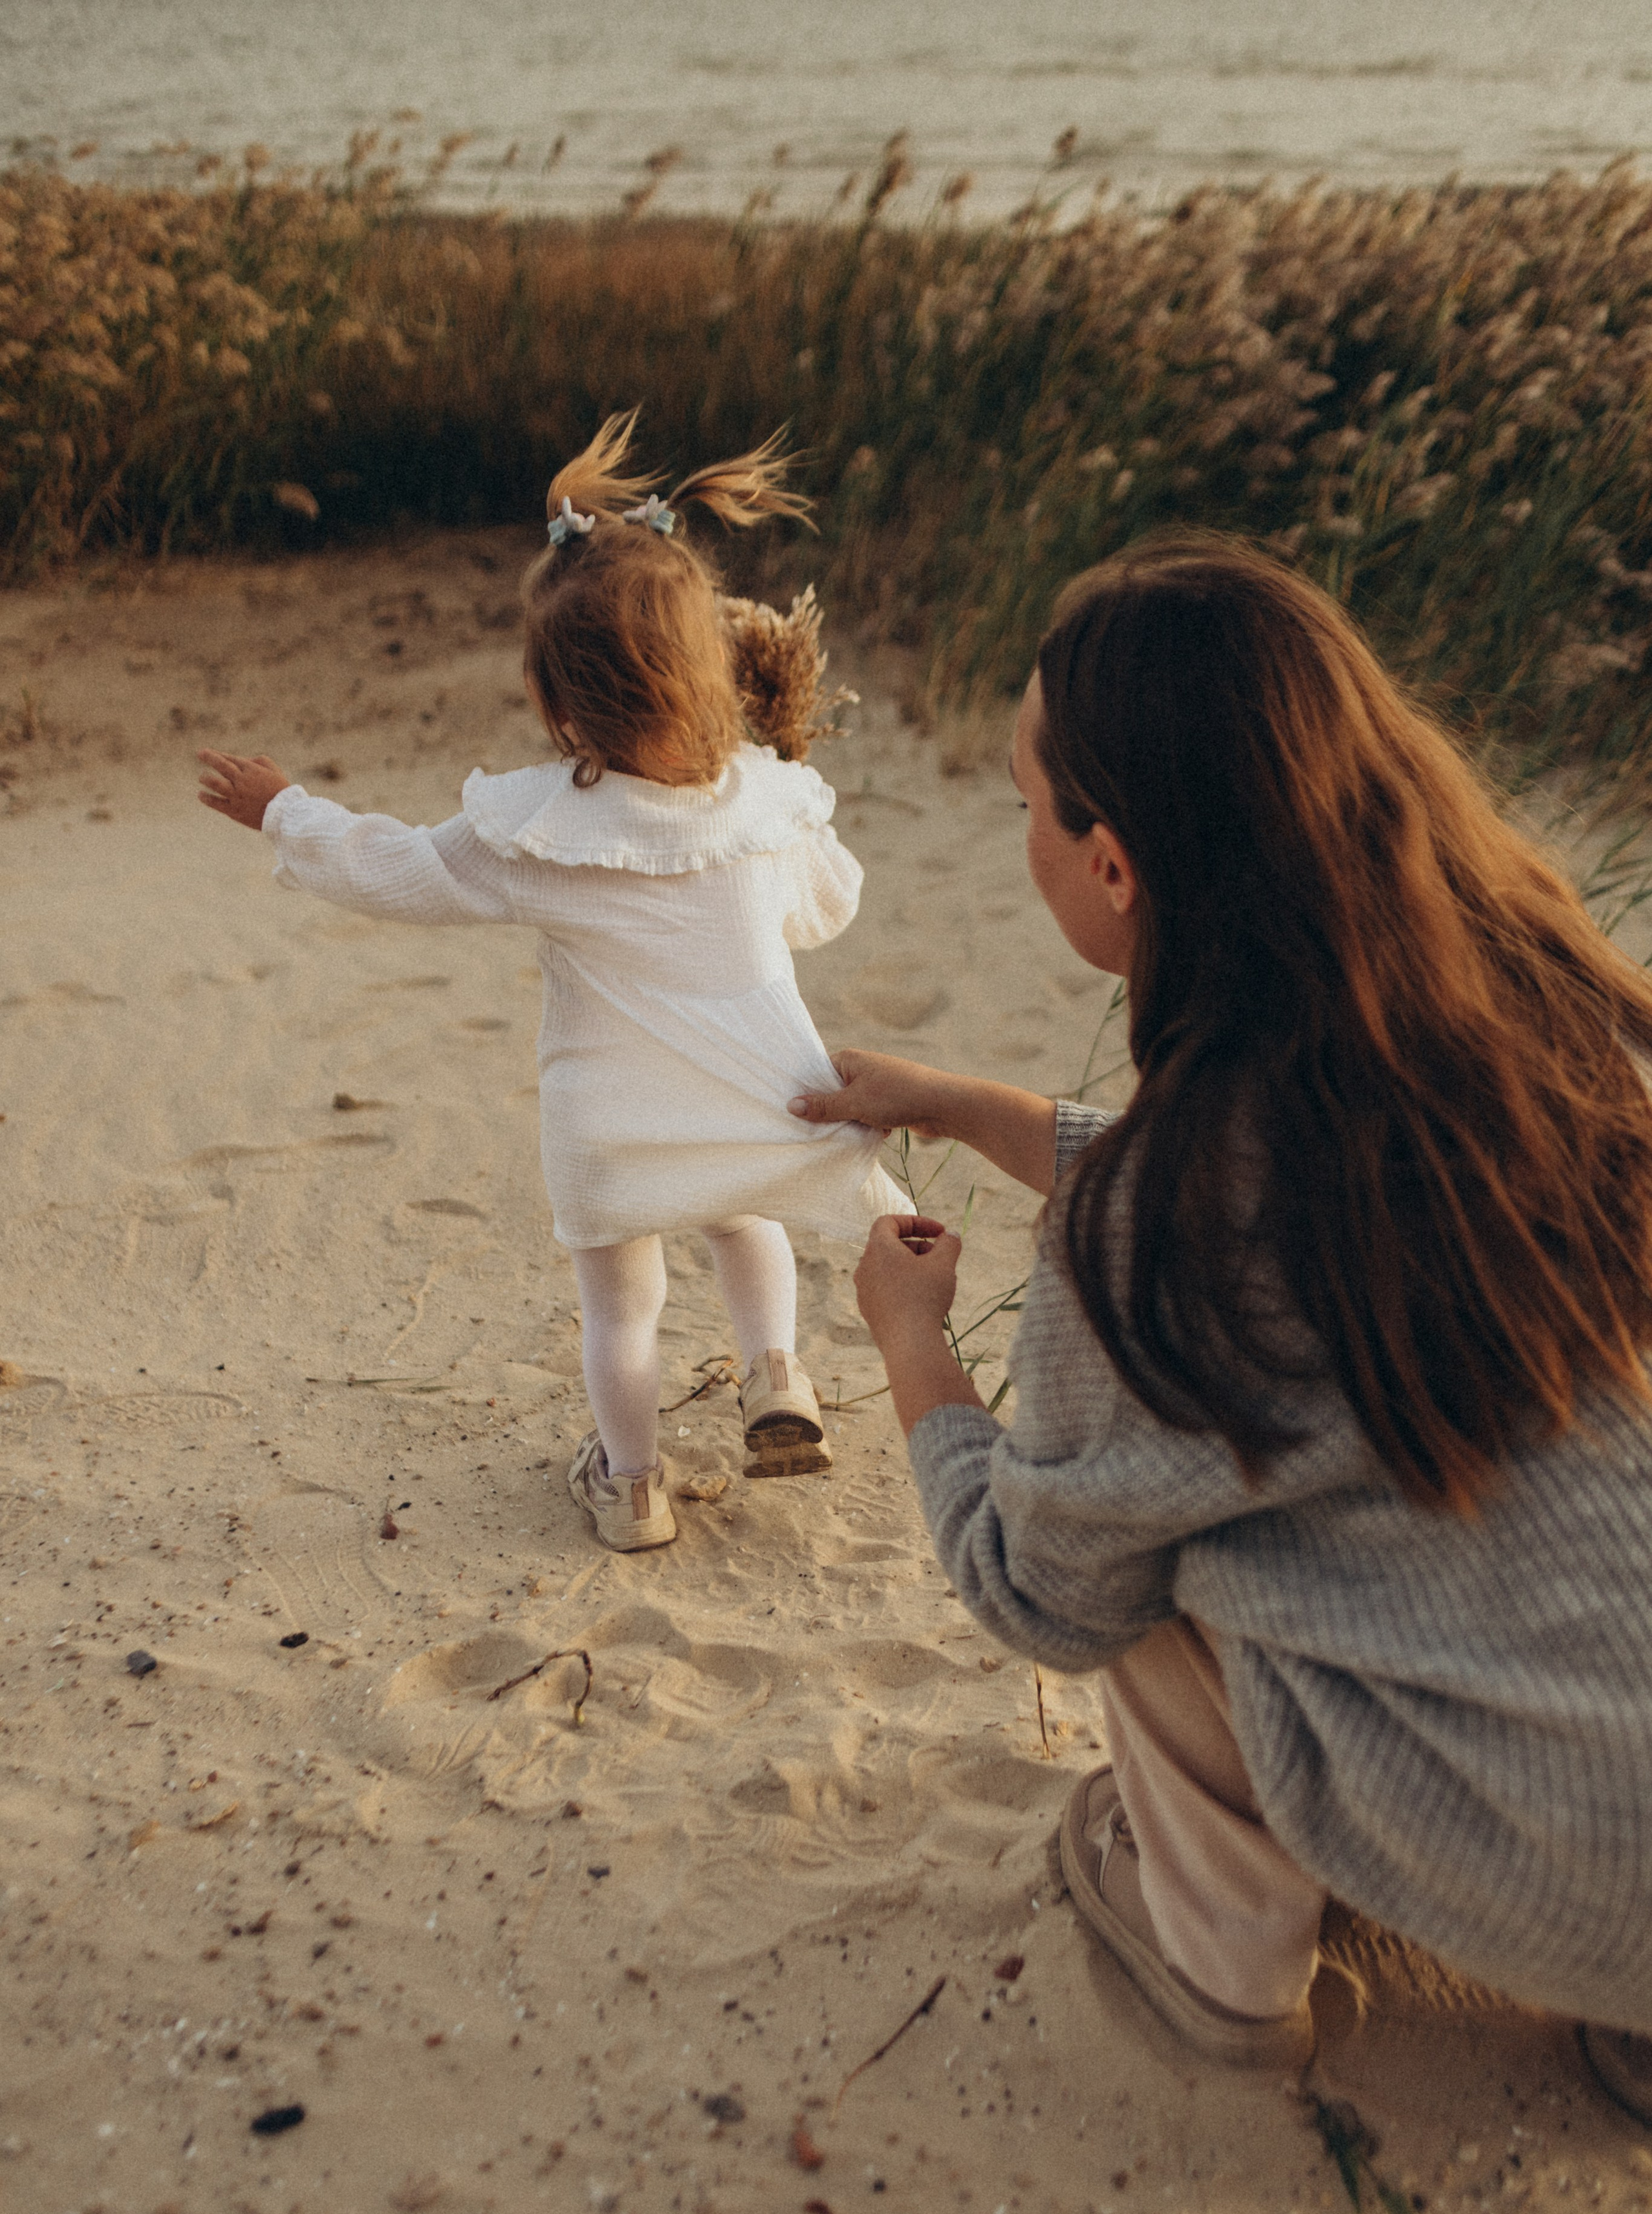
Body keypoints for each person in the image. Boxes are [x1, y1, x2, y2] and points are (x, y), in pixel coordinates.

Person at [791, 534, 1652, 2124]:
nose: (1025, 840)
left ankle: (1219, 1969)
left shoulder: (1150, 1237)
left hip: (1585, 1869)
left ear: (1112, 862)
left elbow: (1035, 1594)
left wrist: (917, 1350)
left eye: (1025, 806)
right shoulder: (1554, 1022)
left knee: (1155, 1540)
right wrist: (971, 1107)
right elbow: (1303, 1198)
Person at [197, 413, 902, 1555]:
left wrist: (286, 808)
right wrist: (788, 788)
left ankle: (631, 1489)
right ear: (714, 660)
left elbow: (403, 871)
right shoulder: (770, 799)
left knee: (622, 1311)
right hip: (761, 1101)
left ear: (556, 700)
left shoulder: (538, 829)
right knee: (746, 1221)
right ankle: (778, 1378)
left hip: (611, 1125)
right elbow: (832, 908)